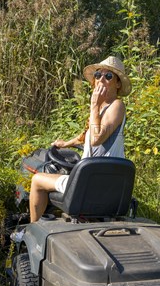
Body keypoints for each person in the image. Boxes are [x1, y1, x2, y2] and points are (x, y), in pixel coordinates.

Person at [29, 56, 131, 222]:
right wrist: (66, 143)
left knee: (37, 180)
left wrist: (94, 105)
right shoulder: (102, 110)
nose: (101, 79)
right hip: (96, 177)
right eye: (98, 75)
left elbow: (96, 139)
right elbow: (87, 135)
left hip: (94, 182)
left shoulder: (116, 106)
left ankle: (32, 228)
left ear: (118, 83)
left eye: (109, 76)